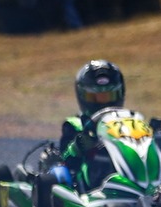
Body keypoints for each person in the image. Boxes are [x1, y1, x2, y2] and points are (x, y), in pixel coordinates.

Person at [52, 59, 128, 188]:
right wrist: (77, 147)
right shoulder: (75, 125)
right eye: (96, 98)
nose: (104, 104)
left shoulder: (128, 123)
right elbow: (64, 160)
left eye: (109, 96)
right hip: (88, 182)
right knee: (60, 171)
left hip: (127, 173)